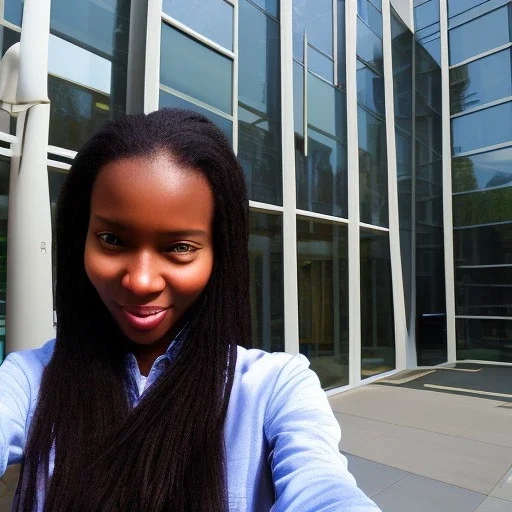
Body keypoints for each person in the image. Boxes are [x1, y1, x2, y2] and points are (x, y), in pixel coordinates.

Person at [0, 108, 380, 511]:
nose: (142, 281)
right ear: (81, 240)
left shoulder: (274, 390)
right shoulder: (30, 380)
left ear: (220, 254)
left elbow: (325, 488)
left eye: (179, 248)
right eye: (112, 239)